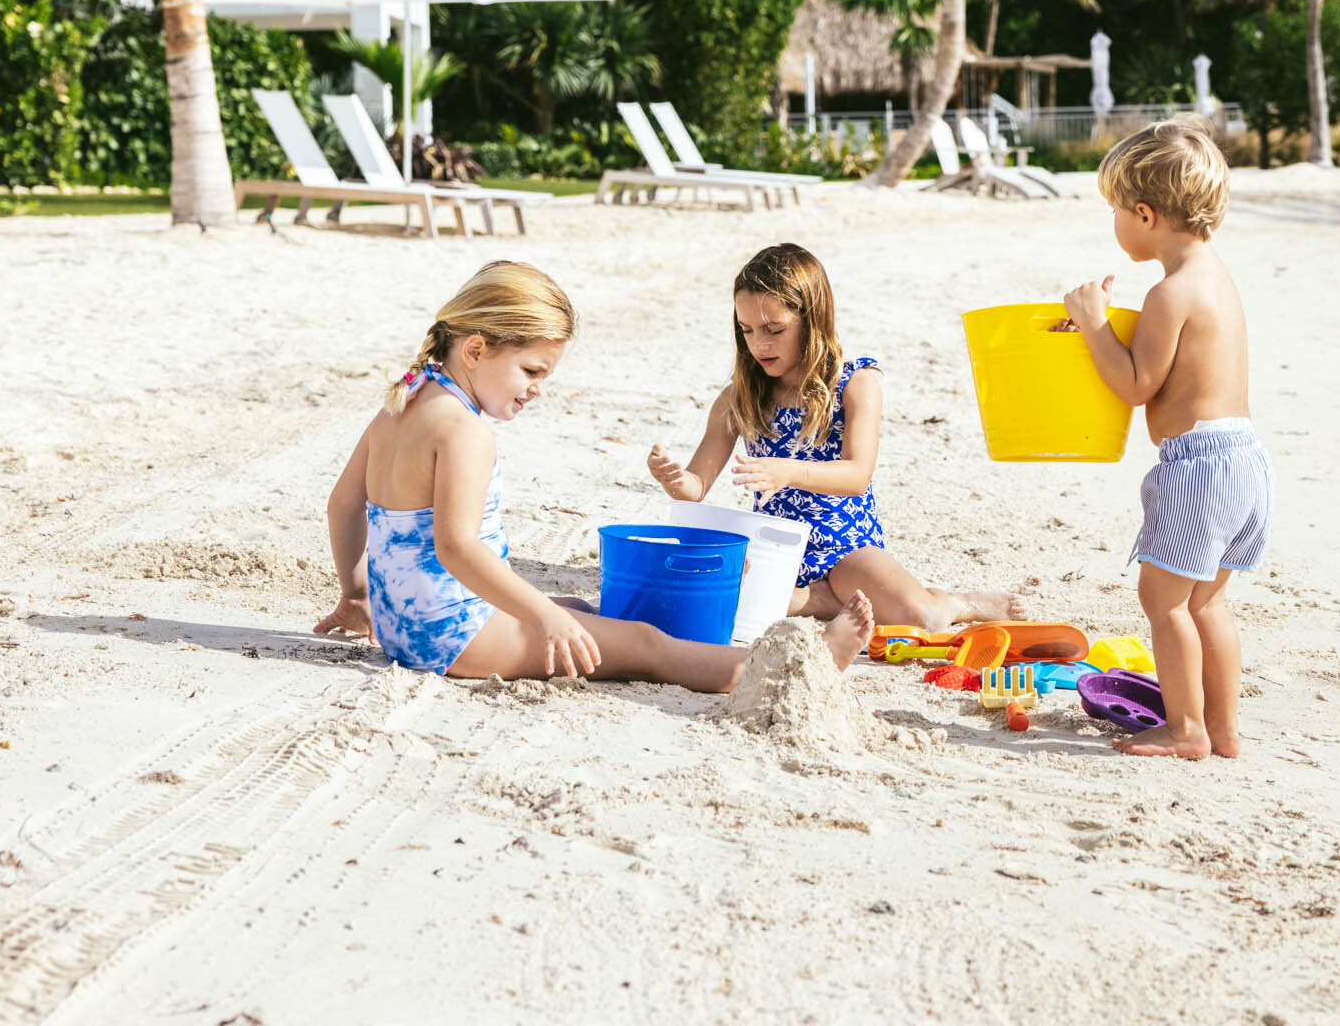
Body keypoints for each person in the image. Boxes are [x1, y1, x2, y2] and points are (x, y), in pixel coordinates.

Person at [313, 259, 872, 683]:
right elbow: (458, 548)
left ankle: (707, 627)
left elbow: (344, 503)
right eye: (531, 370)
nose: (536, 388)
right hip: (453, 637)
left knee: (584, 608)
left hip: (401, 623)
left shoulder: (402, 401)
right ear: (477, 349)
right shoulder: (463, 429)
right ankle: (795, 667)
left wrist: (357, 594)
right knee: (646, 645)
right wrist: (545, 620)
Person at [647, 243, 1025, 630]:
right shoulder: (738, 398)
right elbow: (696, 488)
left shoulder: (855, 384)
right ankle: (814, 598)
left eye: (774, 330)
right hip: (777, 548)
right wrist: (676, 480)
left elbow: (856, 475)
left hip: (847, 549)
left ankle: (955, 602)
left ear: (812, 321)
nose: (759, 344)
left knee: (920, 618)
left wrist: (788, 472)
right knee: (700, 592)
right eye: (747, 331)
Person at [1064, 118, 1274, 759]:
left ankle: (1186, 729)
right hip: (1244, 458)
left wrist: (1095, 324)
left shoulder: (1168, 293)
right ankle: (1224, 728)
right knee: (1206, 603)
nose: (1116, 225)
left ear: (1147, 215)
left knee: (1162, 601)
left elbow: (1135, 384)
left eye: (1116, 212)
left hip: (1199, 468)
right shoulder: (1217, 280)